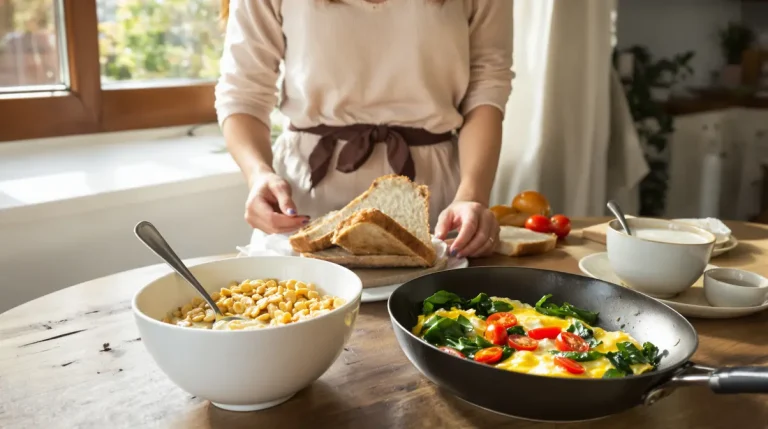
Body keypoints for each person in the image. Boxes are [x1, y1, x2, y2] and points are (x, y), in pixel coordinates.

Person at [215, 0, 513, 258]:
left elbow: (486, 90)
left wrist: (471, 196)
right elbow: (242, 95)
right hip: (305, 200)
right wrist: (259, 175)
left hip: (435, 203)